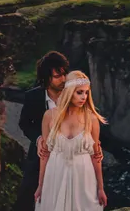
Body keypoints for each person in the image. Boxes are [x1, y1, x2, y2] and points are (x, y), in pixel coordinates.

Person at [14, 52, 103, 211]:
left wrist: (95, 144)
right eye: (57, 76)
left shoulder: (75, 93)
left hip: (75, 158)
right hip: (43, 153)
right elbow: (24, 123)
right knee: (27, 195)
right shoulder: (33, 97)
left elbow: (91, 118)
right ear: (46, 78)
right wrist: (39, 138)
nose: (63, 79)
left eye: (64, 74)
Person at [34, 70, 107, 210]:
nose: (84, 97)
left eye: (86, 92)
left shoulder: (92, 119)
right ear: (69, 92)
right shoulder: (49, 116)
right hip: (55, 173)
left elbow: (96, 156)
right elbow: (45, 155)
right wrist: (41, 186)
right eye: (79, 92)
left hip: (84, 176)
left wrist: (101, 188)